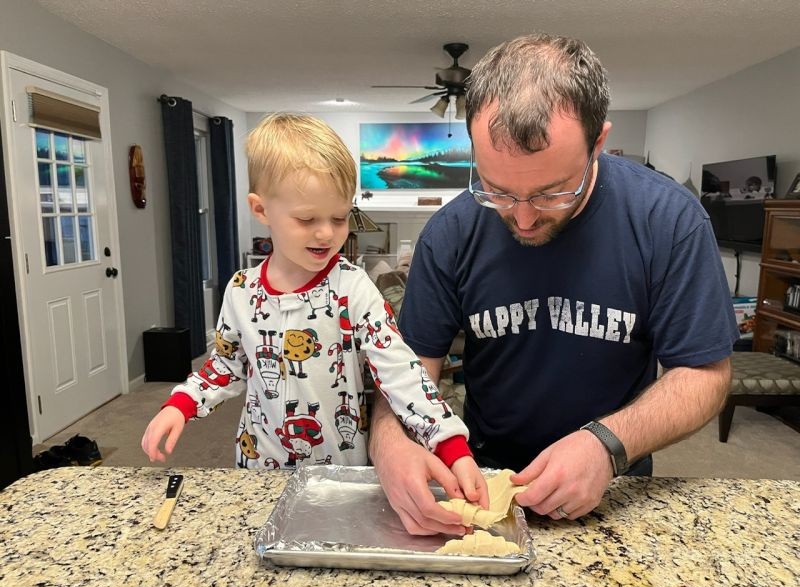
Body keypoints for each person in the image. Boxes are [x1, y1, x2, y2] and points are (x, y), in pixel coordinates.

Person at [369, 33, 738, 536]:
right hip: (478, 478)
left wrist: (606, 445)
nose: (521, 218)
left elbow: (704, 375)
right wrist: (390, 445)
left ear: (598, 142)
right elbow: (405, 376)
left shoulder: (669, 221)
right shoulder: (450, 233)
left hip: (615, 483)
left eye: (551, 192)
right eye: (496, 190)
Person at [141, 113, 487, 509]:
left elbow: (401, 371)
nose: (326, 233)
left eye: (340, 218)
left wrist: (450, 444)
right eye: (307, 219)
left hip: (340, 475)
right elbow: (226, 365)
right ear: (260, 209)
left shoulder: (353, 288)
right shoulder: (240, 292)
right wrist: (181, 404)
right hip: (259, 472)